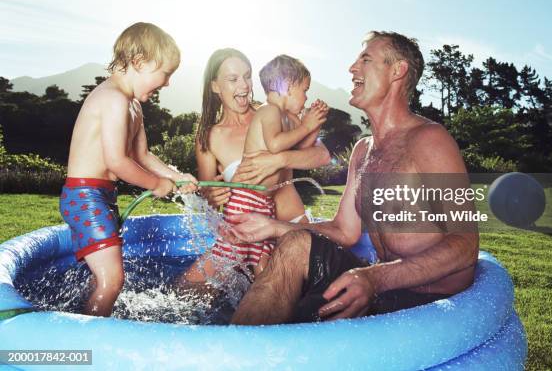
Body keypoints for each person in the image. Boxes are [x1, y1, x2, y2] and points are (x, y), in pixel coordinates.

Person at [225, 31, 479, 324]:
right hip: (381, 286)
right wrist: (273, 226)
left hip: (425, 299)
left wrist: (375, 278)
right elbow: (344, 231)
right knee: (294, 243)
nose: (352, 68)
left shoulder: (429, 139)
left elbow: (465, 245)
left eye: (366, 59)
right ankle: (237, 349)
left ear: (398, 71)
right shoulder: (363, 151)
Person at [60, 22, 197, 317]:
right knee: (113, 281)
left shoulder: (132, 104)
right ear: (139, 63)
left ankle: (80, 317)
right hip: (84, 197)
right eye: (166, 73)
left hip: (100, 197)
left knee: (103, 278)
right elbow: (117, 161)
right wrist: (155, 184)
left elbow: (142, 154)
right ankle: (87, 344)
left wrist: (176, 176)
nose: (168, 83)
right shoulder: (112, 99)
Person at [177, 49, 330, 285]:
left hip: (290, 223)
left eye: (247, 76)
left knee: (293, 290)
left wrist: (280, 160)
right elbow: (208, 195)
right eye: (233, 79)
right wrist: (211, 195)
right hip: (245, 233)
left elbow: (321, 155)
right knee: (186, 287)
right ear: (215, 86)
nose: (244, 85)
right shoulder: (209, 137)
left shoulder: (272, 113)